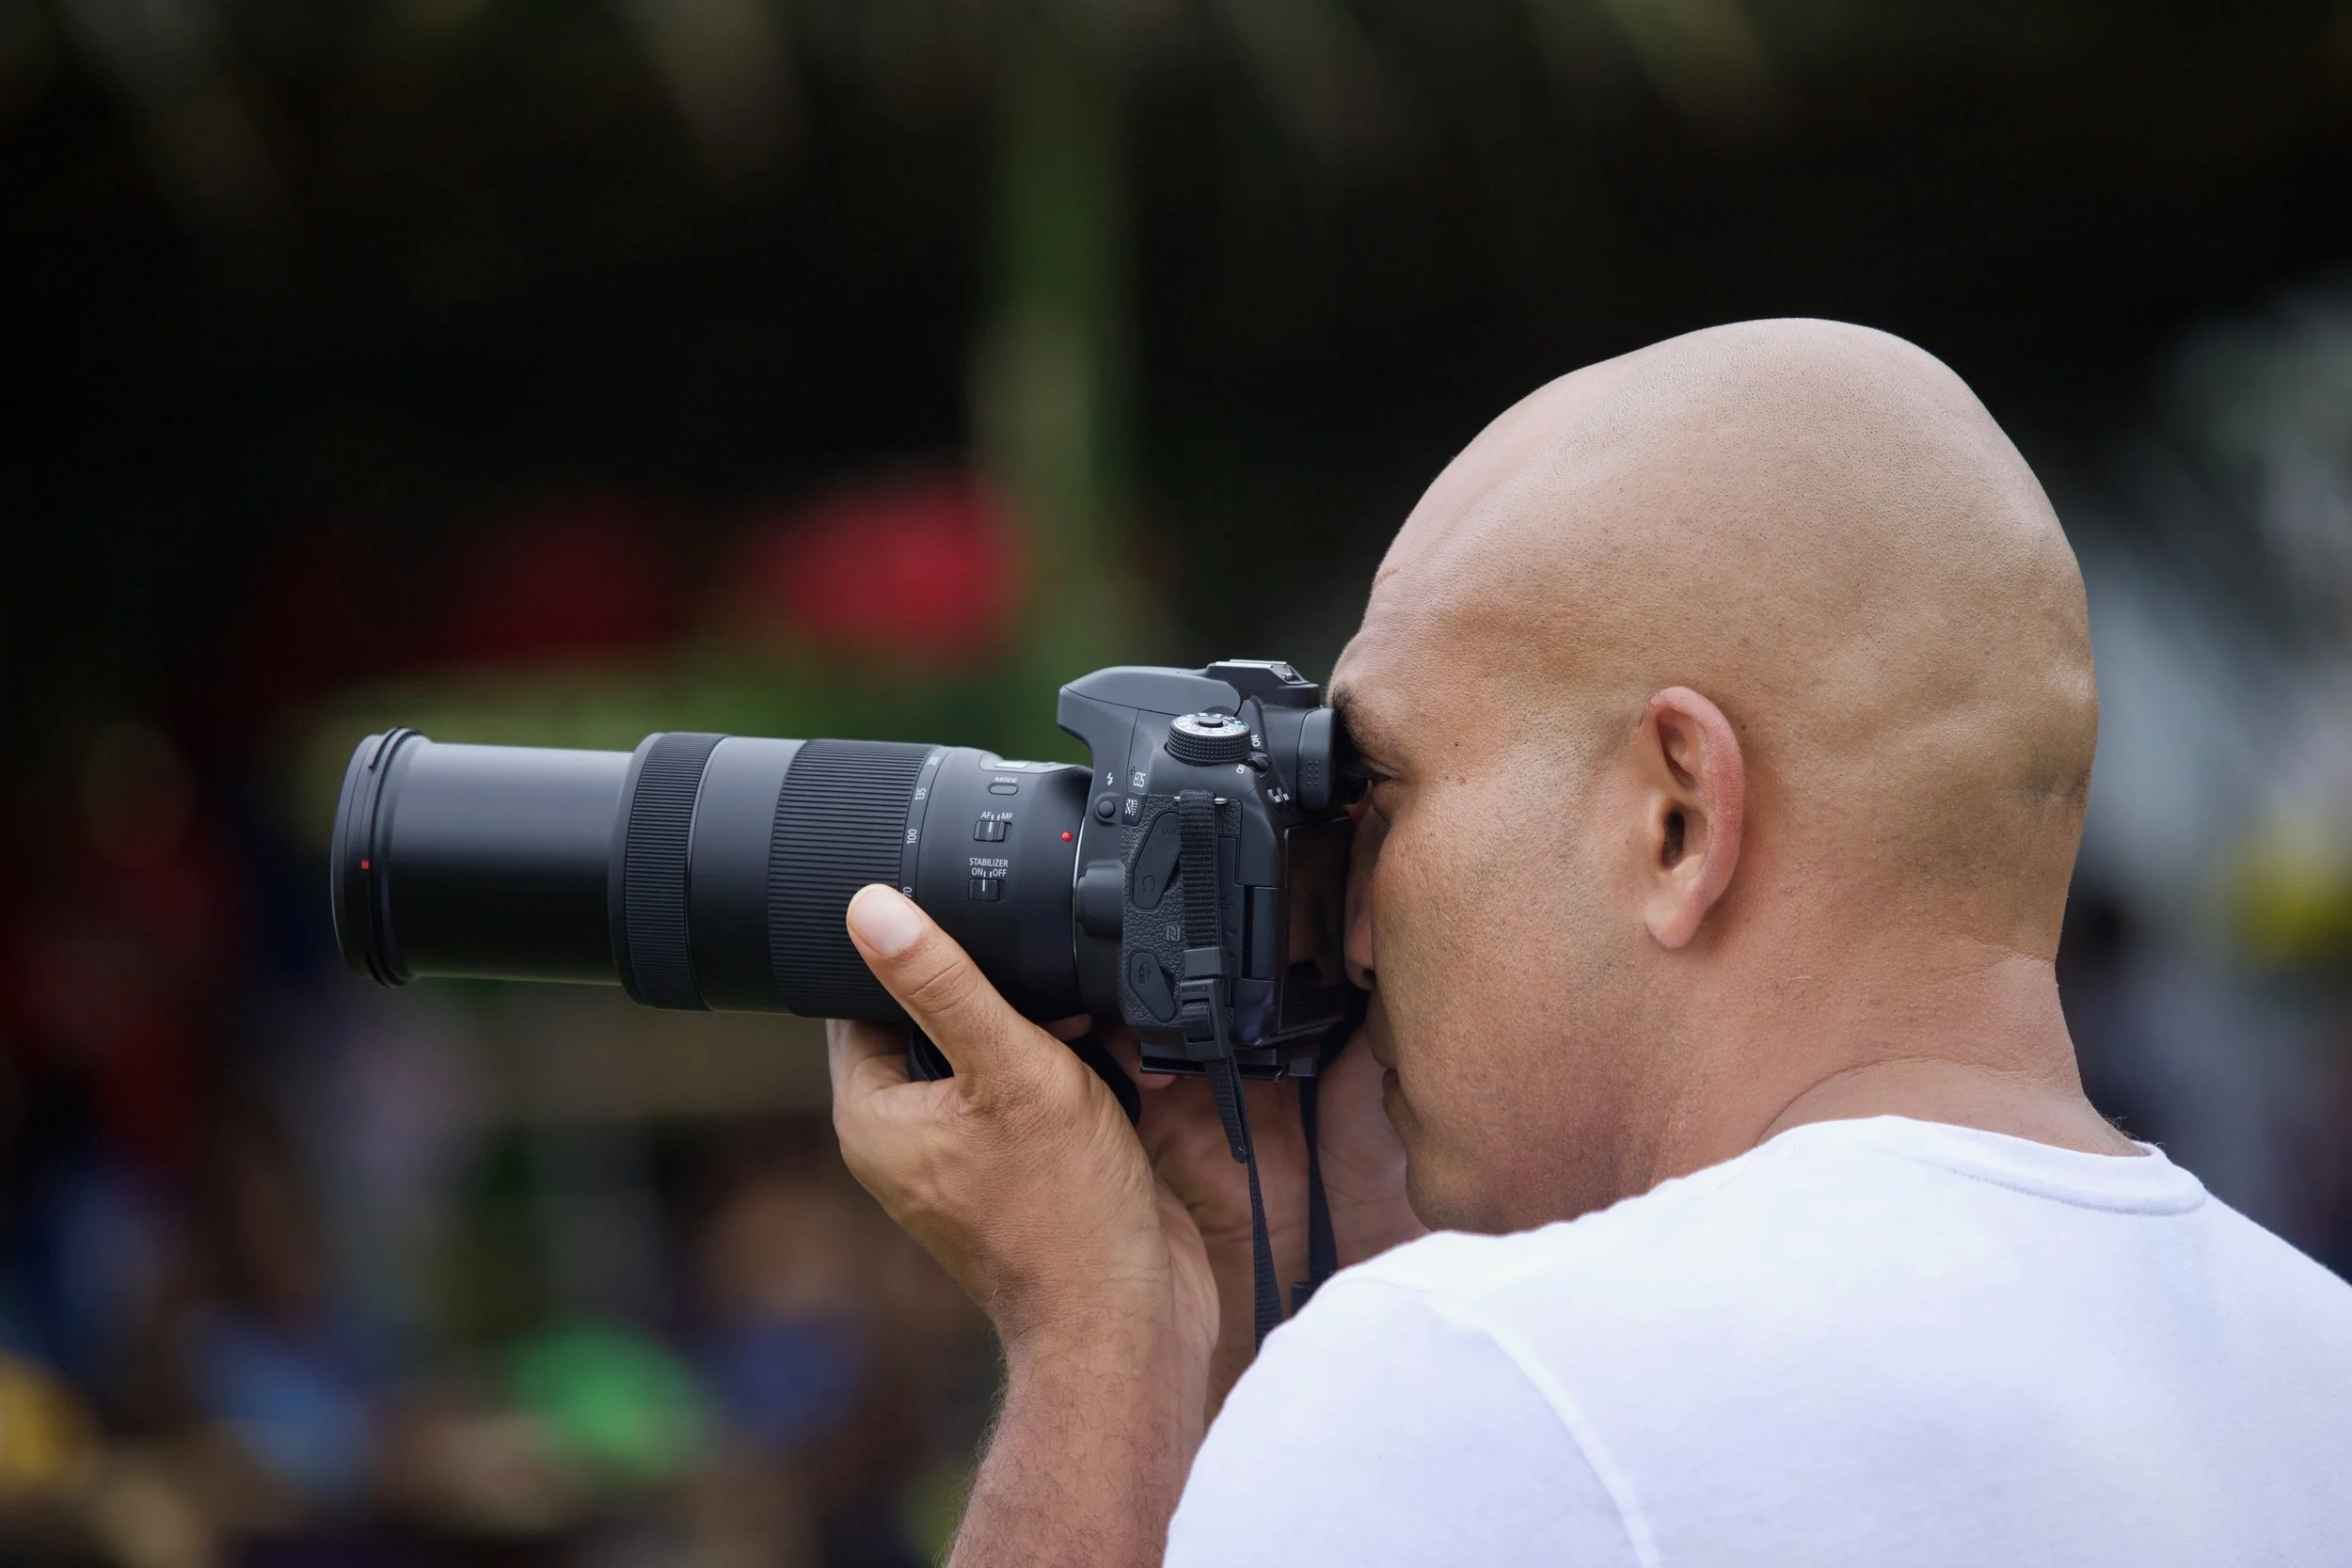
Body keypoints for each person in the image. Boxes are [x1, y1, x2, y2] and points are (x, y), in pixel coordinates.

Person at [824, 319, 2352, 1566]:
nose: (1347, 931)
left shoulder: (1482, 1382)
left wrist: (1097, 1335)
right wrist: (1244, 1282)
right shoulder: (2317, 1379)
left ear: (1675, 818)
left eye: (1388, 791)